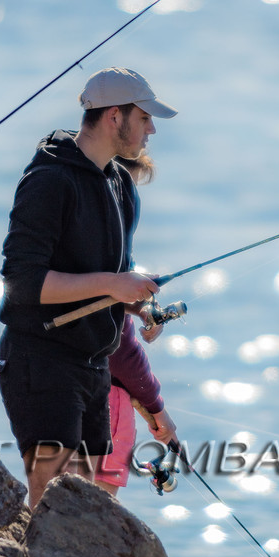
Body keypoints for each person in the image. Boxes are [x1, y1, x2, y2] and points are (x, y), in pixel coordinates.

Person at [0, 67, 174, 508]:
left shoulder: (120, 186)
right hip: (41, 361)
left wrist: (134, 305)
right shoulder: (49, 180)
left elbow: (107, 278)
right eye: (145, 117)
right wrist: (115, 284)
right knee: (51, 506)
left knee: (85, 517)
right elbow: (22, 283)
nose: (151, 129)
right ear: (115, 117)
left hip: (94, 368)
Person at [96, 151, 177, 497]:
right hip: (102, 401)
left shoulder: (81, 237)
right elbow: (121, 349)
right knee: (97, 514)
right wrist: (157, 410)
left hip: (58, 388)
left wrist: (137, 307)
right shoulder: (116, 204)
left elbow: (98, 292)